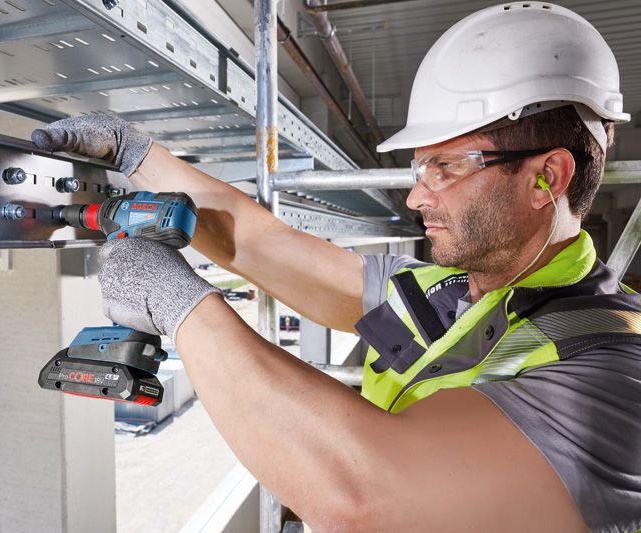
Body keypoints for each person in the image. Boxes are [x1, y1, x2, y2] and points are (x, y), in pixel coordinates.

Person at [32, 2, 641, 530]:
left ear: (547, 176)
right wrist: (138, 157)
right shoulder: (448, 294)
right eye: (419, 168)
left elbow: (367, 494)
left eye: (447, 168)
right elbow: (263, 245)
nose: (416, 197)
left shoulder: (615, 374)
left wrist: (180, 304)